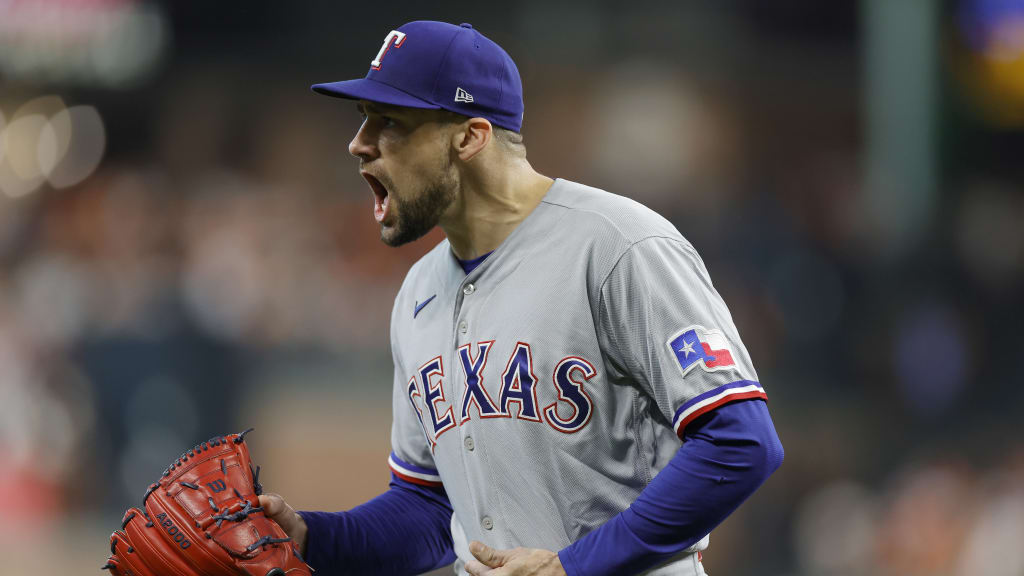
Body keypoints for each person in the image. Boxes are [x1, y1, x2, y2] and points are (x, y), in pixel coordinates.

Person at [258, 20, 783, 576]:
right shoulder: (417, 291)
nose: (358, 144)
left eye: (390, 122)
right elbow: (433, 510)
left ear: (469, 137)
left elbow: (740, 440)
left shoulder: (617, 245)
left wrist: (573, 567)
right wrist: (314, 537)